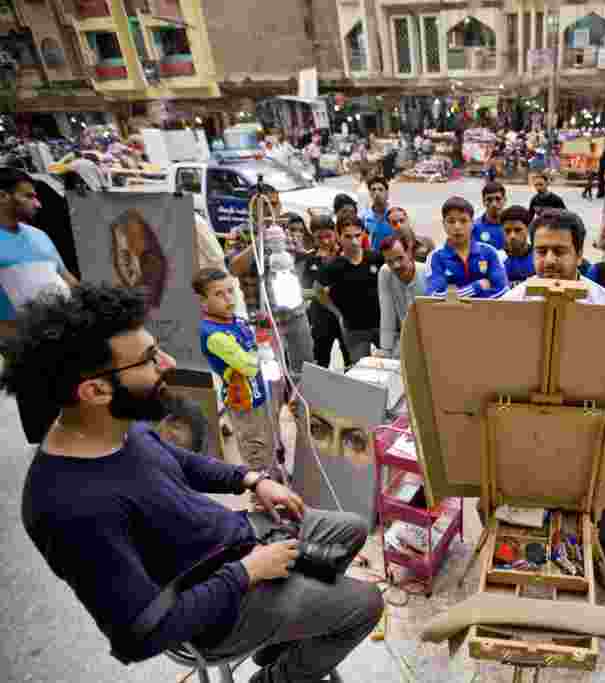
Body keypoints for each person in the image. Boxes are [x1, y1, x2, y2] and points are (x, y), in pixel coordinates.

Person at [7, 284, 383, 680]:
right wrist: (247, 573)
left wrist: (250, 479)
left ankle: (284, 637)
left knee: (352, 529)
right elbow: (140, 636)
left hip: (233, 545)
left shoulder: (114, 428)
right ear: (95, 390)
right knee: (366, 604)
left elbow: (178, 462)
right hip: (216, 611)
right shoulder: (67, 507)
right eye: (150, 359)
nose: (168, 363)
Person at [502, 209, 605, 589]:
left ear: (579, 255)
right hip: (525, 428)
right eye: (541, 251)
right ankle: (523, 568)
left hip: (592, 434)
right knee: (498, 507)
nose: (549, 261)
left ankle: (603, 559)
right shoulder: (509, 304)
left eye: (560, 252)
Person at [0, 167, 79, 444]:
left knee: (76, 417)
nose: (38, 202)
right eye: (29, 196)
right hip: (23, 346)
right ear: (3, 197)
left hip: (64, 340)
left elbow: (67, 279)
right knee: (47, 428)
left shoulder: (39, 236)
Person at [193, 268, 278, 486]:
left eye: (230, 291)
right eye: (219, 294)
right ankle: (262, 496)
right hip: (243, 399)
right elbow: (248, 366)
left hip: (259, 391)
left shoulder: (235, 320)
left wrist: (259, 329)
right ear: (203, 301)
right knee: (255, 449)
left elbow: (254, 346)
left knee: (269, 441)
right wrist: (260, 342)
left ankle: (274, 480)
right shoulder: (213, 334)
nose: (228, 298)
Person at [227, 188, 315, 385]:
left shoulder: (286, 232)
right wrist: (259, 239)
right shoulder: (239, 234)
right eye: (265, 206)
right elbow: (234, 268)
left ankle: (302, 410)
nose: (270, 210)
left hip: (294, 314)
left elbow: (302, 258)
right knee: (271, 377)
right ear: (252, 209)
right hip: (263, 320)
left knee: (306, 370)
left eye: (275, 204)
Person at [319, 217, 384, 363]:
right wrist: (337, 314)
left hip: (382, 325)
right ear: (339, 236)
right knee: (362, 373)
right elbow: (318, 291)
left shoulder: (376, 258)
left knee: (393, 366)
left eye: (357, 235)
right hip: (355, 329)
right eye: (348, 236)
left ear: (363, 235)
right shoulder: (333, 266)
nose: (354, 241)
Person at [426, 196, 508, 299]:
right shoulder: (436, 257)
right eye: (451, 221)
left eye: (463, 221)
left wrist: (456, 296)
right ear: (444, 224)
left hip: (486, 314)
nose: (457, 227)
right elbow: (434, 297)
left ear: (473, 223)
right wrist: (475, 287)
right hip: (451, 314)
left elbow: (503, 290)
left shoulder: (489, 252)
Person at [301, 215, 347, 368]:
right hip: (320, 319)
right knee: (320, 363)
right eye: (320, 238)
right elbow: (303, 292)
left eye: (328, 236)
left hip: (345, 316)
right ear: (313, 237)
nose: (326, 241)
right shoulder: (310, 259)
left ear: (335, 232)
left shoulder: (346, 254)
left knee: (351, 360)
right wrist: (320, 292)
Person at [376, 232, 427, 359]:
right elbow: (387, 313)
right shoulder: (385, 272)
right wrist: (385, 350)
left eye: (400, 258)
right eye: (390, 261)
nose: (396, 265)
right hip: (404, 338)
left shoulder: (428, 273)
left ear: (409, 252)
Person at [499, 205, 535, 287]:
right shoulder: (497, 258)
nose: (512, 236)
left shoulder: (538, 258)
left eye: (517, 230)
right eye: (507, 231)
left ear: (528, 229)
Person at [473, 181, 506, 251]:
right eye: (489, 199)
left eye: (498, 199)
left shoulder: (514, 226)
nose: (494, 204)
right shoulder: (474, 227)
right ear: (483, 202)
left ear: (505, 200)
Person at [361, 175, 392, 249]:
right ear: (370, 193)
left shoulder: (395, 215)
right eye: (373, 190)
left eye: (380, 189)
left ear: (387, 193)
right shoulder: (364, 217)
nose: (377, 193)